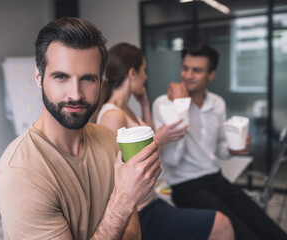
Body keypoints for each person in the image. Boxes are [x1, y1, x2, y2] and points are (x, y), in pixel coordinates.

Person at [0, 17, 162, 240]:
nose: (76, 94)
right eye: (61, 76)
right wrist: (122, 200)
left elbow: (132, 234)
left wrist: (128, 197)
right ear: (38, 76)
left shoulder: (109, 139)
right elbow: (124, 210)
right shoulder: (19, 173)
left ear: (101, 81)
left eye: (88, 79)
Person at [96, 42, 234, 240]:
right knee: (222, 224)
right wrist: (158, 138)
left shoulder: (126, 109)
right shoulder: (112, 115)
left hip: (152, 200)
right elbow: (121, 168)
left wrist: (144, 104)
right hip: (140, 211)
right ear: (132, 73)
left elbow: (146, 134)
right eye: (144, 70)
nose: (147, 76)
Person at [152, 43, 287, 240]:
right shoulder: (164, 103)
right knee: (244, 234)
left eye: (197, 70)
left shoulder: (217, 103)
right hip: (184, 185)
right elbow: (172, 159)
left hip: (215, 177)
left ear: (211, 74)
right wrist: (180, 106)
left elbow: (219, 150)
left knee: (268, 229)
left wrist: (233, 150)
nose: (188, 75)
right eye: (185, 68)